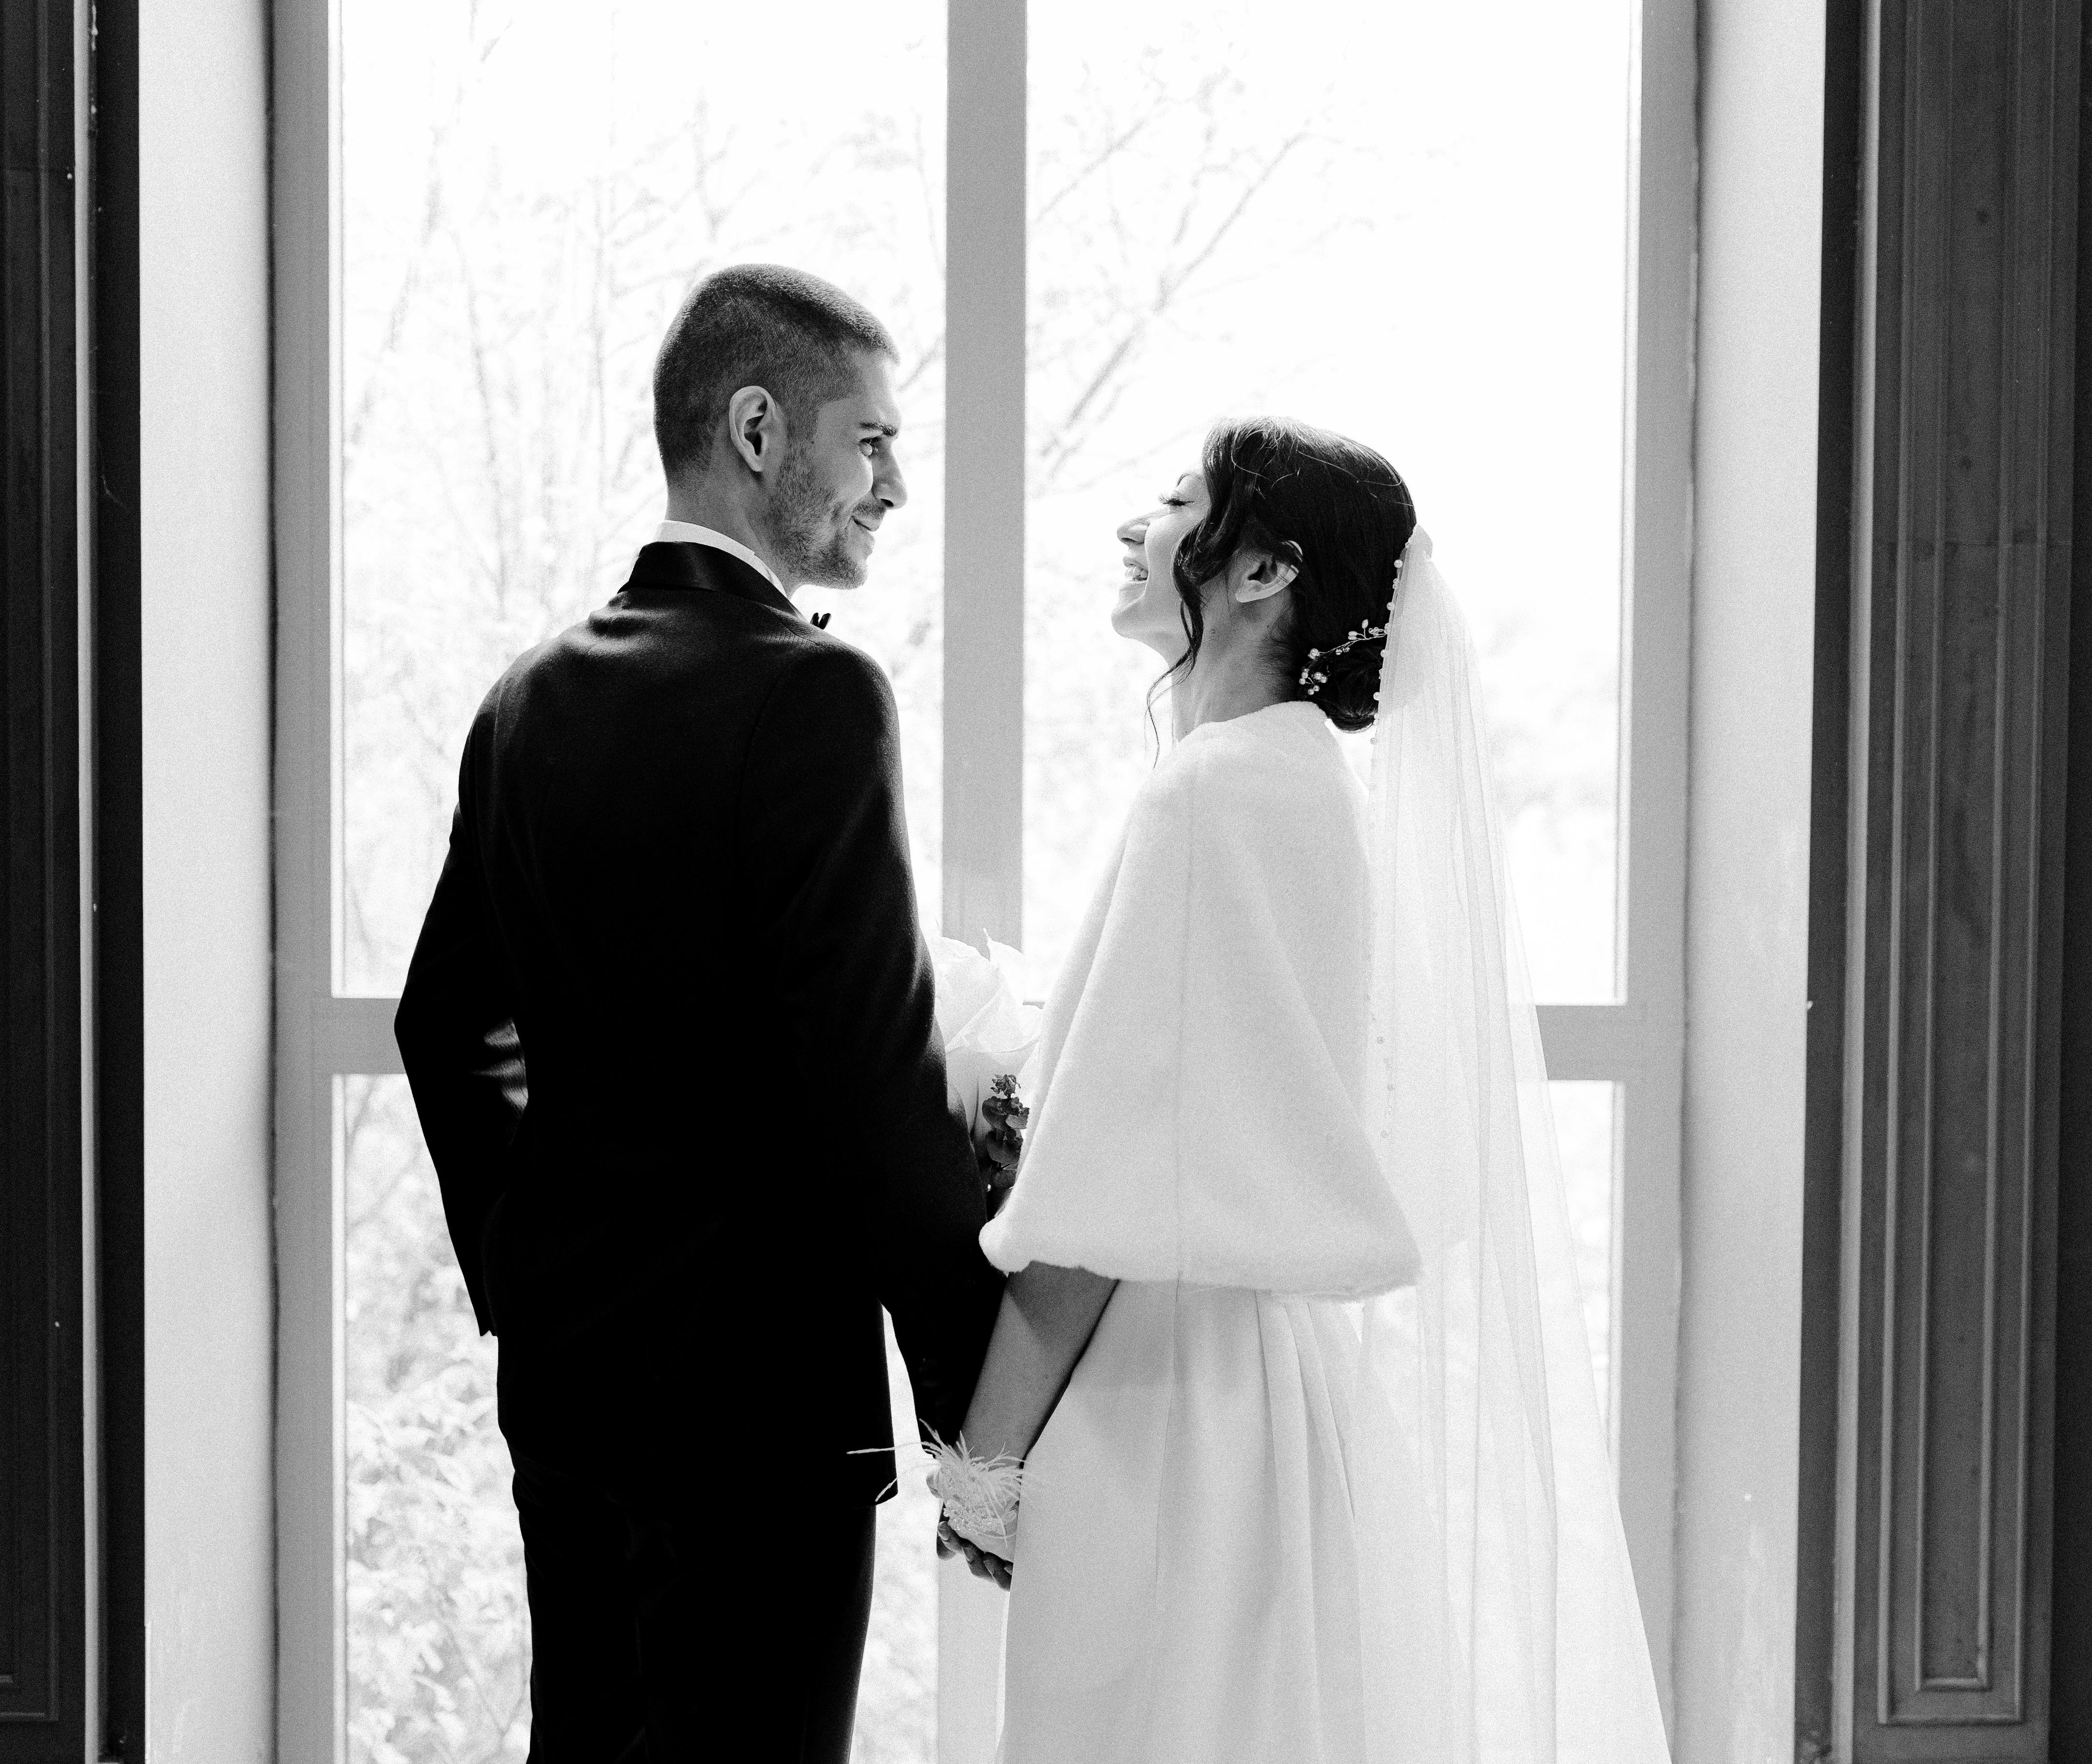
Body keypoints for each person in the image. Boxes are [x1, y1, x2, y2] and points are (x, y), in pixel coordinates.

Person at [943, 418, 1674, 1763]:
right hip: (1281, 1396)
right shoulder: (1306, 785)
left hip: (1161, 1415)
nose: (1133, 527)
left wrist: (981, 1475)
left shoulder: (1207, 797)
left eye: (1174, 502)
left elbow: (1105, 1209)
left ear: (1264, 571)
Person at [395, 264, 1003, 1763]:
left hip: (573, 1393)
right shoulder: (816, 698)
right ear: (753, 429)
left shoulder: (525, 699)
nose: (898, 486)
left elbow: (437, 1024)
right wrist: (984, 1411)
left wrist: (530, 1285)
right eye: (870, 442)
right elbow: (873, 1083)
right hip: (761, 1422)